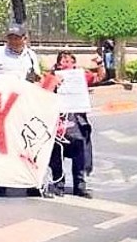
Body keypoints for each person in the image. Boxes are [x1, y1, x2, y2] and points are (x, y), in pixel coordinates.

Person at [0, 24, 43, 197]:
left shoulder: (31, 55)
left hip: (25, 107)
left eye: (17, 38)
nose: (13, 41)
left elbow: (37, 78)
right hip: (4, 107)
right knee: (4, 145)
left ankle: (31, 181)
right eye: (10, 38)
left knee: (27, 144)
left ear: (25, 39)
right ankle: (0, 181)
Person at [42, 51, 101, 198]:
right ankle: (58, 184)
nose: (66, 64)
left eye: (69, 61)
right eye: (63, 61)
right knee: (57, 154)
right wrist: (54, 82)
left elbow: (99, 77)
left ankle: (80, 185)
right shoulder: (51, 77)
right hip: (58, 122)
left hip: (77, 121)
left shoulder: (81, 76)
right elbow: (43, 93)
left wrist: (100, 63)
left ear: (74, 64)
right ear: (58, 64)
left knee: (80, 153)